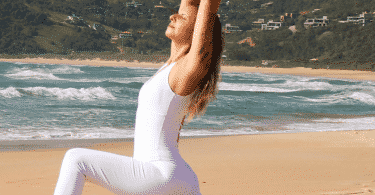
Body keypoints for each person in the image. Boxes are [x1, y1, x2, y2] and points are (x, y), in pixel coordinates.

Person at [53, 0, 223, 194]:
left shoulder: (186, 71)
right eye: (176, 13)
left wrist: (206, 10)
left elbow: (206, 16)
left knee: (75, 159)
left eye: (182, 17)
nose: (173, 16)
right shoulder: (169, 67)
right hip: (176, 178)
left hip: (159, 174)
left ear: (198, 29)